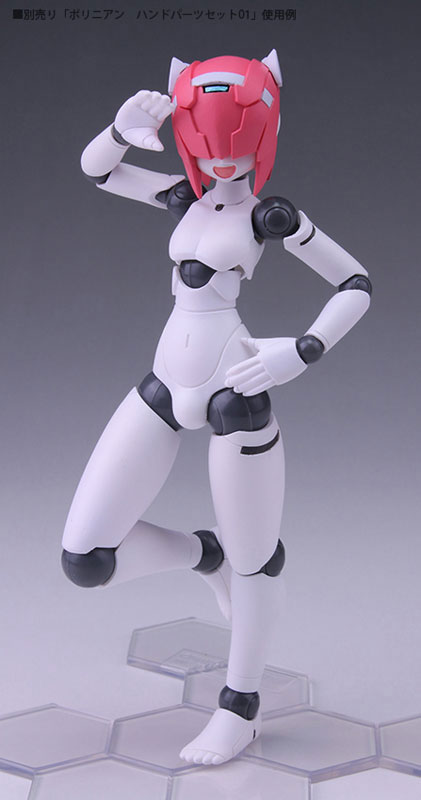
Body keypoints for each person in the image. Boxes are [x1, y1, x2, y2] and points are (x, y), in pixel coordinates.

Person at [62, 51, 371, 765]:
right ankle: (205, 554)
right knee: (86, 558)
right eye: (207, 149)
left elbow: (354, 282)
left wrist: (303, 350)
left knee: (256, 563)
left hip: (236, 389)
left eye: (237, 146)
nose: (222, 162)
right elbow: (98, 172)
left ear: (264, 136)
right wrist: (121, 128)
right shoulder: (181, 197)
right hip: (167, 378)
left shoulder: (269, 215)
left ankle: (241, 707)